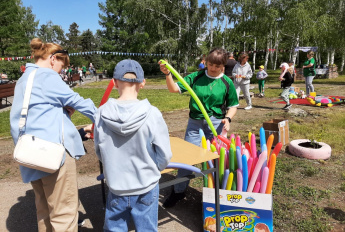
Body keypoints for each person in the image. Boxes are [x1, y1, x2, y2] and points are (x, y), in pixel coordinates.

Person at [10, 38, 97, 232]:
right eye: (61, 65)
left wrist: (67, 118)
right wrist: (105, 117)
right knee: (64, 214)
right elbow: (77, 100)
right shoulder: (47, 76)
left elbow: (35, 118)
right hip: (54, 156)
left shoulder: (24, 79)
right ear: (52, 59)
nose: (61, 71)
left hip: (31, 154)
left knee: (45, 213)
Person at [94, 59, 172, 231]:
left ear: (114, 83)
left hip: (117, 186)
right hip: (146, 185)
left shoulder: (100, 113)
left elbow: (99, 151)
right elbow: (165, 154)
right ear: (142, 83)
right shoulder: (153, 114)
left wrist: (112, 168)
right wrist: (154, 168)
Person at [159, 47, 238, 208]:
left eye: (217, 66)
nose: (213, 68)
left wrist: (228, 119)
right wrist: (168, 74)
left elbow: (233, 106)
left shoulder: (227, 82)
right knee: (187, 160)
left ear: (223, 65)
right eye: (210, 64)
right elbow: (174, 89)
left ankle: (216, 194)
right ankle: (178, 192)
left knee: (215, 161)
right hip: (195, 123)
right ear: (206, 62)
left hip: (216, 124)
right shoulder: (197, 76)